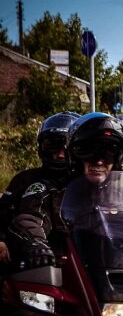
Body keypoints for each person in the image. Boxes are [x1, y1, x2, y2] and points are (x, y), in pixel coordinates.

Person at [7, 112, 123, 267]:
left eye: (108, 153)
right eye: (88, 152)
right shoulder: (51, 193)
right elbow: (31, 218)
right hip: (67, 277)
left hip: (116, 278)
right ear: (75, 156)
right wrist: (38, 246)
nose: (99, 161)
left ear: (118, 159)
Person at [0, 112, 80, 268]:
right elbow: (2, 213)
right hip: (33, 262)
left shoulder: (86, 183)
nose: (60, 154)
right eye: (53, 146)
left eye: (66, 147)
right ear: (41, 147)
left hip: (82, 264)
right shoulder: (25, 180)